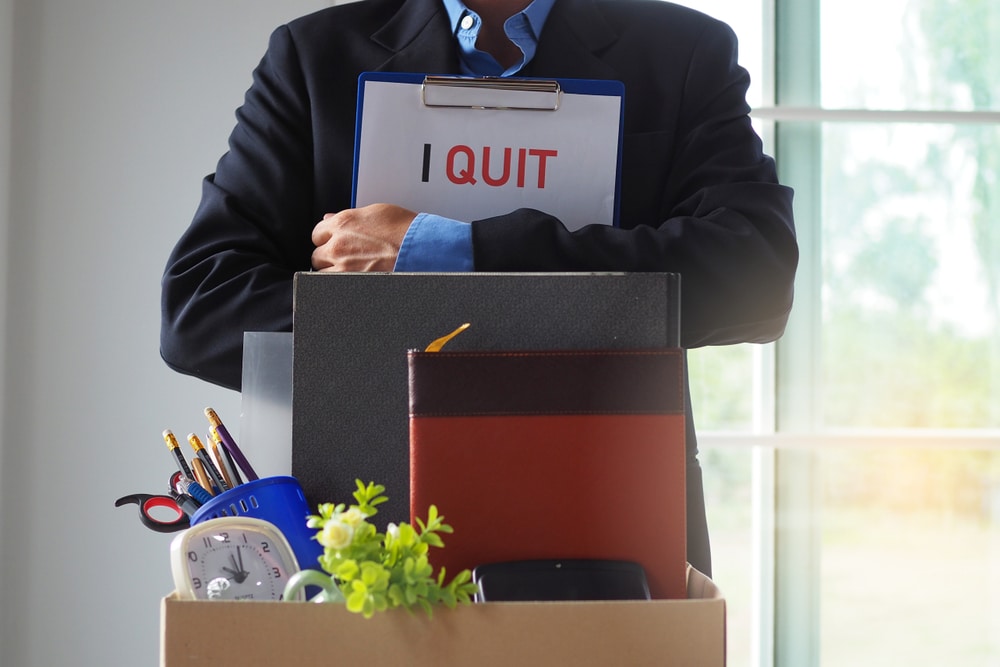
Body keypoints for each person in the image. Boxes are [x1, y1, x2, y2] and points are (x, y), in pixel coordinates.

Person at [160, 0, 799, 578]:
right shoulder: (312, 57)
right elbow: (202, 307)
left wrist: (445, 252)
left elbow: (756, 275)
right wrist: (476, 333)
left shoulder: (682, 51)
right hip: (361, 534)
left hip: (613, 518)